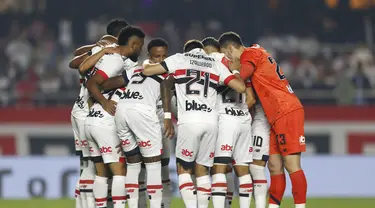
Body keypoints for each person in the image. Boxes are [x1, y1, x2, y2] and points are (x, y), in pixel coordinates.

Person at [143, 40, 246, 208]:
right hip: (211, 123)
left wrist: (147, 61)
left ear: (187, 51)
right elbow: (241, 88)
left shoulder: (179, 59)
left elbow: (149, 71)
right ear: (203, 51)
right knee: (203, 171)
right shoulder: (215, 64)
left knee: (184, 171)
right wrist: (234, 69)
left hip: (189, 121)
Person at [219, 32, 307, 208]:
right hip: (273, 115)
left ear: (230, 48)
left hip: (286, 109)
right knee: (274, 166)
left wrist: (227, 70)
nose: (228, 59)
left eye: (227, 55)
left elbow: (239, 79)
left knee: (292, 165)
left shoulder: (250, 54)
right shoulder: (256, 52)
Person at [99, 38, 174, 208]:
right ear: (149, 55)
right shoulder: (167, 71)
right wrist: (168, 116)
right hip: (143, 113)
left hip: (122, 111)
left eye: (164, 56)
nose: (161, 60)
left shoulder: (136, 69)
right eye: (157, 56)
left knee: (133, 165)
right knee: (154, 166)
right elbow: (166, 88)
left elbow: (105, 85)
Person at [68, 19, 129, 208]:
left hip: (79, 110)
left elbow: (75, 62)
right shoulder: (118, 54)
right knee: (100, 167)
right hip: (92, 111)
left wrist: (97, 46)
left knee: (88, 165)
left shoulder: (97, 50)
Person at [85, 26, 145, 208]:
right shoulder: (117, 61)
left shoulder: (117, 64)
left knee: (101, 173)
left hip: (92, 120)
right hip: (104, 121)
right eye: (140, 45)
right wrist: (104, 102)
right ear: (134, 45)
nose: (141, 49)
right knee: (120, 171)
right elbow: (91, 83)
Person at [202, 37, 255, 208]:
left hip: (225, 120)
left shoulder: (212, 63)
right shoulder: (238, 65)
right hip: (244, 120)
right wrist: (239, 111)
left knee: (219, 167)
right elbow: (252, 99)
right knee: (242, 169)